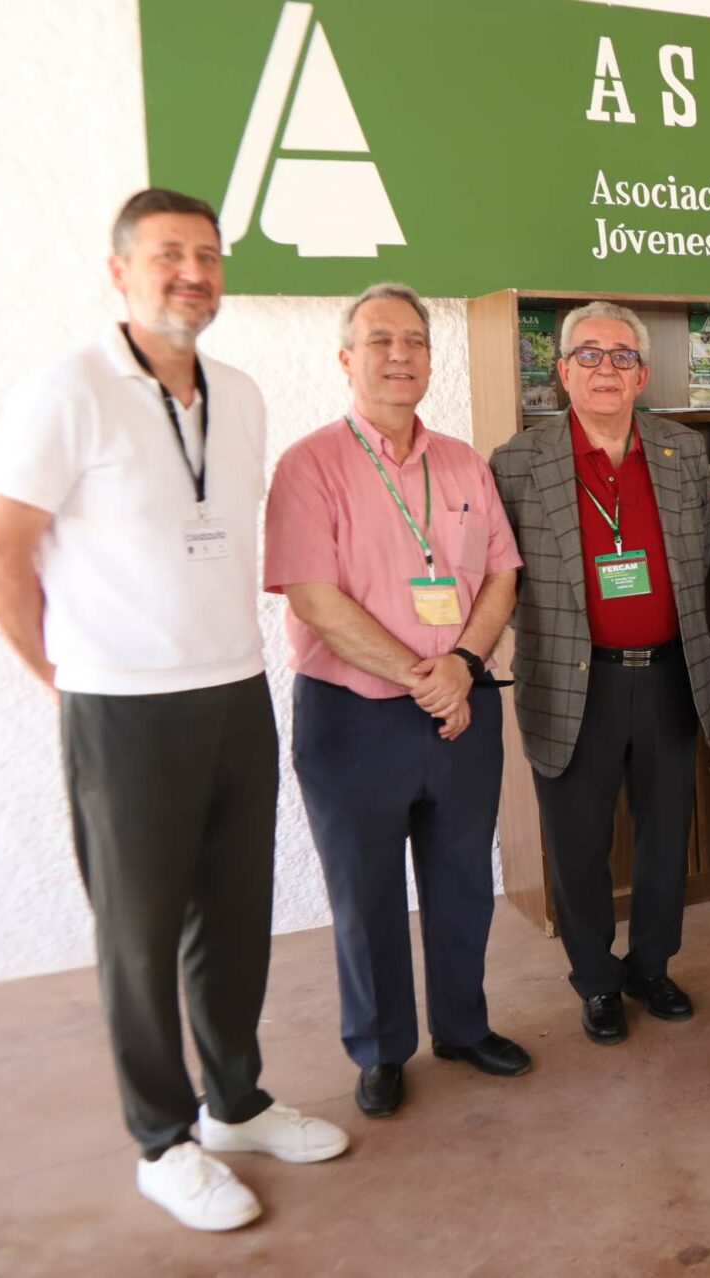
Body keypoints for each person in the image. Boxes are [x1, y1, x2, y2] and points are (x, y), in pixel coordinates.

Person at [0, 189, 346, 1232]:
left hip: (232, 690)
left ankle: (234, 1103)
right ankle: (161, 1139)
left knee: (234, 916)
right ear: (120, 271)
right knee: (137, 937)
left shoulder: (240, 391)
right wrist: (59, 672)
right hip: (123, 707)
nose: (193, 272)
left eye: (209, 255)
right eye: (170, 254)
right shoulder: (68, 390)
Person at [265, 283, 529, 1119]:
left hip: (462, 705)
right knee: (366, 891)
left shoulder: (462, 463)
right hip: (354, 716)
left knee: (462, 881)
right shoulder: (309, 465)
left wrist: (461, 663)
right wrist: (427, 675)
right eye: (380, 341)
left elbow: (500, 574)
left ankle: (463, 1024)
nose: (400, 355)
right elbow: (313, 596)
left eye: (414, 341)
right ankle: (381, 1050)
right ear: (347, 358)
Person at [491, 301, 710, 1043]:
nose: (606, 369)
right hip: (569, 681)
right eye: (588, 355)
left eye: (622, 356)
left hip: (666, 677)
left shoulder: (682, 453)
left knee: (663, 839)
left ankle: (651, 967)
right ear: (561, 372)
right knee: (579, 844)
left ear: (644, 374)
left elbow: (698, 564)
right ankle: (596, 981)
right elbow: (500, 577)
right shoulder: (517, 464)